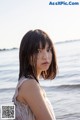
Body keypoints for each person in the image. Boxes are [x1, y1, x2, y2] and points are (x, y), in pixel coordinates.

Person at [12, 29, 57, 120]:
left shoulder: (25, 82)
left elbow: (9, 114)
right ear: (26, 55)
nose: (45, 56)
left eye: (48, 50)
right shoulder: (30, 84)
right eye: (38, 51)